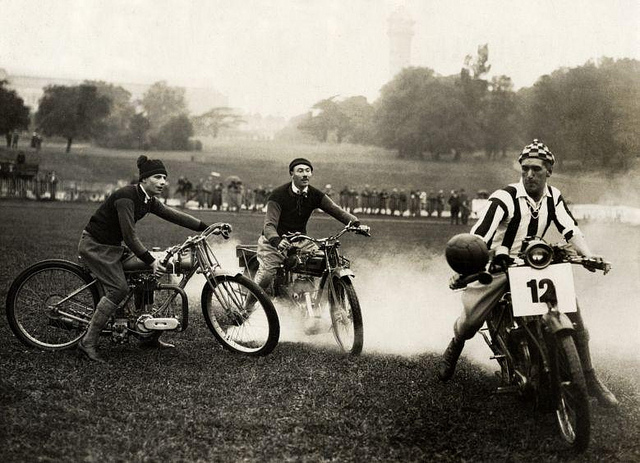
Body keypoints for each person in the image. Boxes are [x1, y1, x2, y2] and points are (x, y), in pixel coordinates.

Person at [437, 139, 619, 408]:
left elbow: (570, 230)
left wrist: (588, 255)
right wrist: (470, 266)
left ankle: (589, 377)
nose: (530, 174)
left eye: (536, 169)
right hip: (500, 263)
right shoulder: (504, 198)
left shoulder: (554, 197)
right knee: (472, 318)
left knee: (574, 312)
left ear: (549, 171)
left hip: (536, 261)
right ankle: (456, 343)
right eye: (525, 169)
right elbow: (480, 236)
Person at [77, 155, 210, 362]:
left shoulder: (148, 199)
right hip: (96, 247)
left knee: (147, 273)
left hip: (113, 248)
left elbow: (173, 215)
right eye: (157, 177)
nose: (163, 182)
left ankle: (148, 336)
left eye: (164, 178)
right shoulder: (126, 197)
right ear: (144, 179)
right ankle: (88, 342)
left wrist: (206, 227)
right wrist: (151, 260)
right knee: (118, 289)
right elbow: (130, 237)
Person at [252, 158, 367, 307]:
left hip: (301, 240)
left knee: (323, 263)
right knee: (266, 276)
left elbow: (335, 209)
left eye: (308, 171)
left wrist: (356, 223)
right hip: (274, 242)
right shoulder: (278, 195)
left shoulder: (315, 194)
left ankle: (313, 302)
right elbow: (269, 225)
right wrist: (276, 240)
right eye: (300, 171)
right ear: (292, 173)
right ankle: (245, 310)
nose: (305, 174)